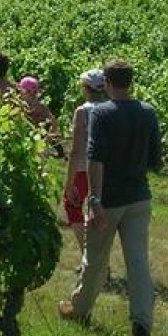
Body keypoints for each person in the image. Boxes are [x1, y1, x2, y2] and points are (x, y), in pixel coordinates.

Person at [58, 60, 160, 336]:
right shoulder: (148, 112)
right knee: (138, 262)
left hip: (110, 198)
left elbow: (95, 159)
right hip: (139, 196)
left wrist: (95, 199)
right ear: (131, 82)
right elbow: (154, 158)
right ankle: (141, 323)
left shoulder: (101, 114)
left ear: (108, 83)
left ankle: (79, 310)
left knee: (95, 259)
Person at [62, 69, 109, 252]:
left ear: (85, 88)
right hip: (106, 168)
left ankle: (87, 252)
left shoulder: (83, 111)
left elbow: (76, 151)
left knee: (72, 205)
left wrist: (69, 182)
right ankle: (99, 258)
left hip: (84, 168)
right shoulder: (110, 109)